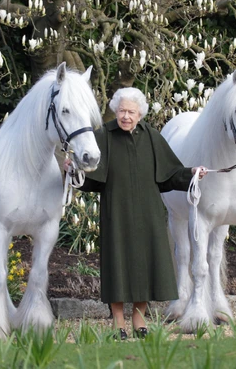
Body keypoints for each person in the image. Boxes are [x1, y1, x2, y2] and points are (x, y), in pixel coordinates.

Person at [71, 87, 206, 340]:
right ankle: (119, 322)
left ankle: (139, 319)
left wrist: (192, 173)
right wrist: (74, 171)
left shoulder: (152, 137)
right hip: (116, 213)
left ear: (140, 114)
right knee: (117, 266)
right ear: (115, 110)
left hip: (149, 214)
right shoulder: (104, 136)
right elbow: (92, 180)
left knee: (147, 265)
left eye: (131, 112)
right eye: (121, 110)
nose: (125, 116)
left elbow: (170, 175)